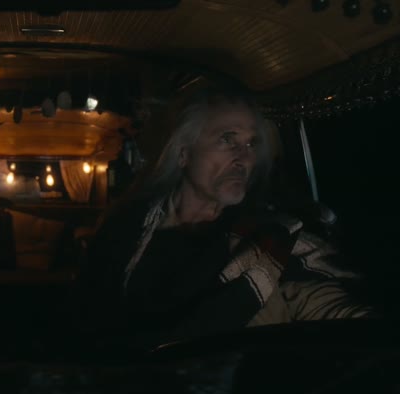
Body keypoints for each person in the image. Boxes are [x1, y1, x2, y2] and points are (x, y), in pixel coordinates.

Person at [78, 87, 373, 351]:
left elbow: (326, 303)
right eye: (227, 139)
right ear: (183, 154)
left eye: (251, 143)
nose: (244, 158)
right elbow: (88, 318)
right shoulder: (125, 227)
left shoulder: (269, 239)